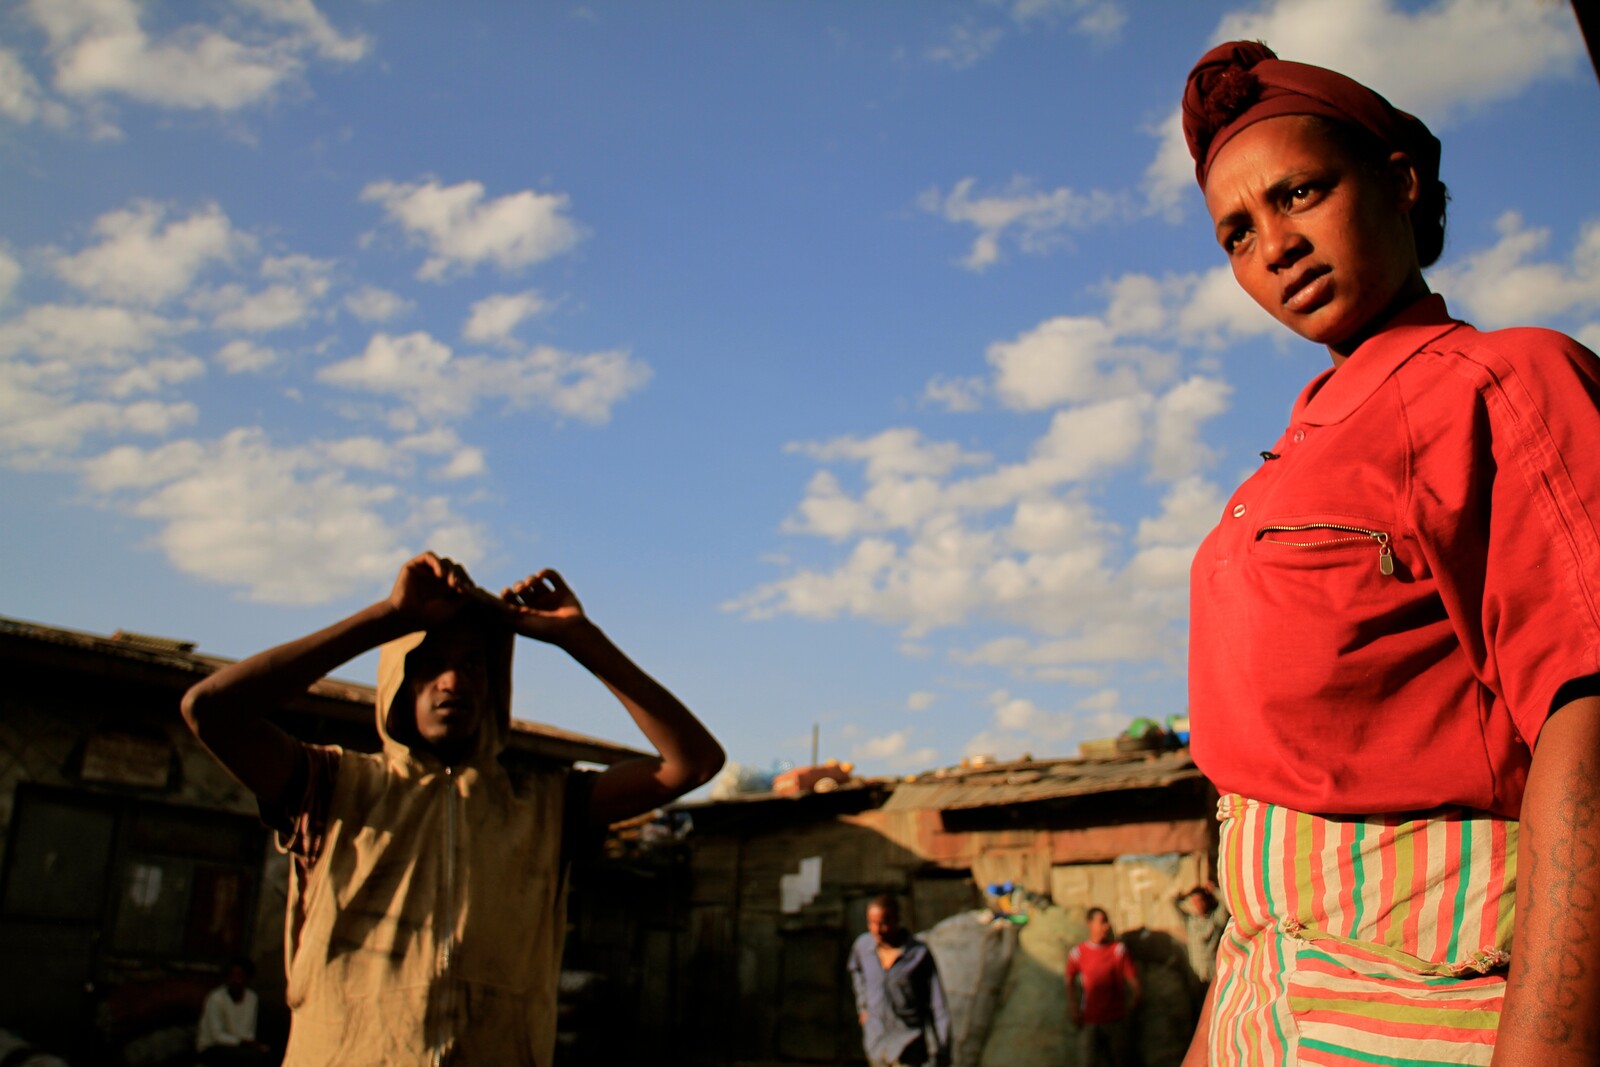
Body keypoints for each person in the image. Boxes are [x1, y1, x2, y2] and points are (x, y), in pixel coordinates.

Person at [1178, 40, 1600, 1066]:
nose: (1272, 246)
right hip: (1260, 998)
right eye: (1236, 231)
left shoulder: (1503, 383)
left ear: (1400, 183)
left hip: (1424, 1001)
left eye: (1299, 193)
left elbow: (1587, 720)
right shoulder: (1282, 466)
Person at [181, 551, 725, 1066]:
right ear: (400, 683)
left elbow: (693, 762)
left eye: (472, 664)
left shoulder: (543, 806)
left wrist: (577, 638)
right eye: (431, 664)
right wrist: (386, 618)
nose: (454, 681)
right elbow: (209, 710)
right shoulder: (332, 785)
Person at [847, 895, 951, 1067]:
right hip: (877, 1044)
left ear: (896, 920)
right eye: (871, 923)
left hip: (908, 1045)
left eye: (883, 924)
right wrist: (863, 1006)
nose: (876, 930)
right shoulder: (863, 948)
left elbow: (938, 1006)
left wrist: (943, 1050)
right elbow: (855, 970)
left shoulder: (918, 954)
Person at [1066, 907, 1140, 1067]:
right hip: (1090, 1020)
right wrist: (1073, 1008)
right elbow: (1069, 980)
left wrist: (1134, 1000)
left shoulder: (1117, 951)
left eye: (1107, 922)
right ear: (1090, 924)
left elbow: (1133, 980)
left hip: (1115, 1019)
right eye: (1102, 922)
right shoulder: (1078, 953)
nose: (1106, 926)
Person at [195, 960, 270, 1066]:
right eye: (232, 976)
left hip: (240, 1047)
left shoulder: (252, 998)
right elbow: (217, 1036)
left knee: (266, 1056)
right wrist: (241, 1042)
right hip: (212, 1047)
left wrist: (250, 1044)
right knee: (250, 1058)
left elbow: (249, 1030)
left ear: (247, 978)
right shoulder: (216, 998)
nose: (236, 980)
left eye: (240, 976)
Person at [1172, 882, 1227, 986]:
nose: (1198, 905)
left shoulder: (1216, 919)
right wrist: (1185, 895)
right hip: (1196, 975)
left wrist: (1215, 891)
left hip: (1214, 975)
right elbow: (1173, 903)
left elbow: (1226, 903)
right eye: (1194, 902)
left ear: (1206, 901)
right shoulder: (1190, 922)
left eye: (1200, 900)